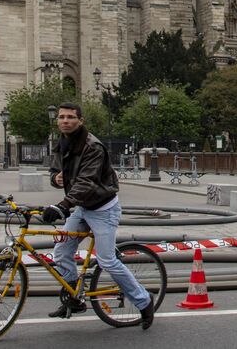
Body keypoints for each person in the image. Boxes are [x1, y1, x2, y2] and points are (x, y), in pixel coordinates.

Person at [44, 102, 155, 328]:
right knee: (61, 251)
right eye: (61, 117)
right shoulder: (62, 143)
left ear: (80, 120)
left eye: (70, 117)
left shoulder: (92, 146)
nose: (65, 121)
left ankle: (144, 301)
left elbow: (87, 182)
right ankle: (75, 298)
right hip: (83, 208)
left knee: (107, 260)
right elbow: (56, 172)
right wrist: (55, 178)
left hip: (103, 209)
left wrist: (63, 205)